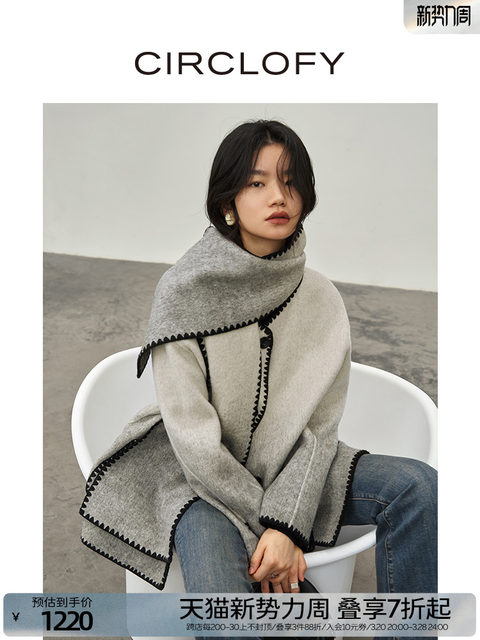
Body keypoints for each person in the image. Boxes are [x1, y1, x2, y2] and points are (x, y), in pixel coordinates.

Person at [80, 120, 437, 612]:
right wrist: (272, 526)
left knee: (418, 488)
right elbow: (193, 439)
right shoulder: (184, 293)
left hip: (294, 470)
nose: (278, 197)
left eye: (291, 182)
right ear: (228, 201)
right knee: (227, 608)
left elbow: (320, 428)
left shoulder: (321, 298)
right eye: (257, 182)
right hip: (199, 481)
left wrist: (287, 522)